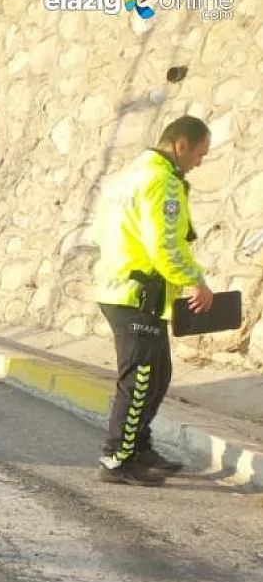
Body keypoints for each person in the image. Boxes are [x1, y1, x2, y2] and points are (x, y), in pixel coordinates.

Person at [90, 115, 216, 486]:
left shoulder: (127, 178)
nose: (200, 162)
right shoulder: (162, 182)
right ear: (181, 146)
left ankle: (138, 447)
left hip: (121, 288)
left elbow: (102, 232)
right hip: (139, 292)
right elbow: (165, 246)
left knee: (158, 375)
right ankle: (117, 457)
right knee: (141, 378)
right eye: (199, 153)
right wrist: (195, 280)